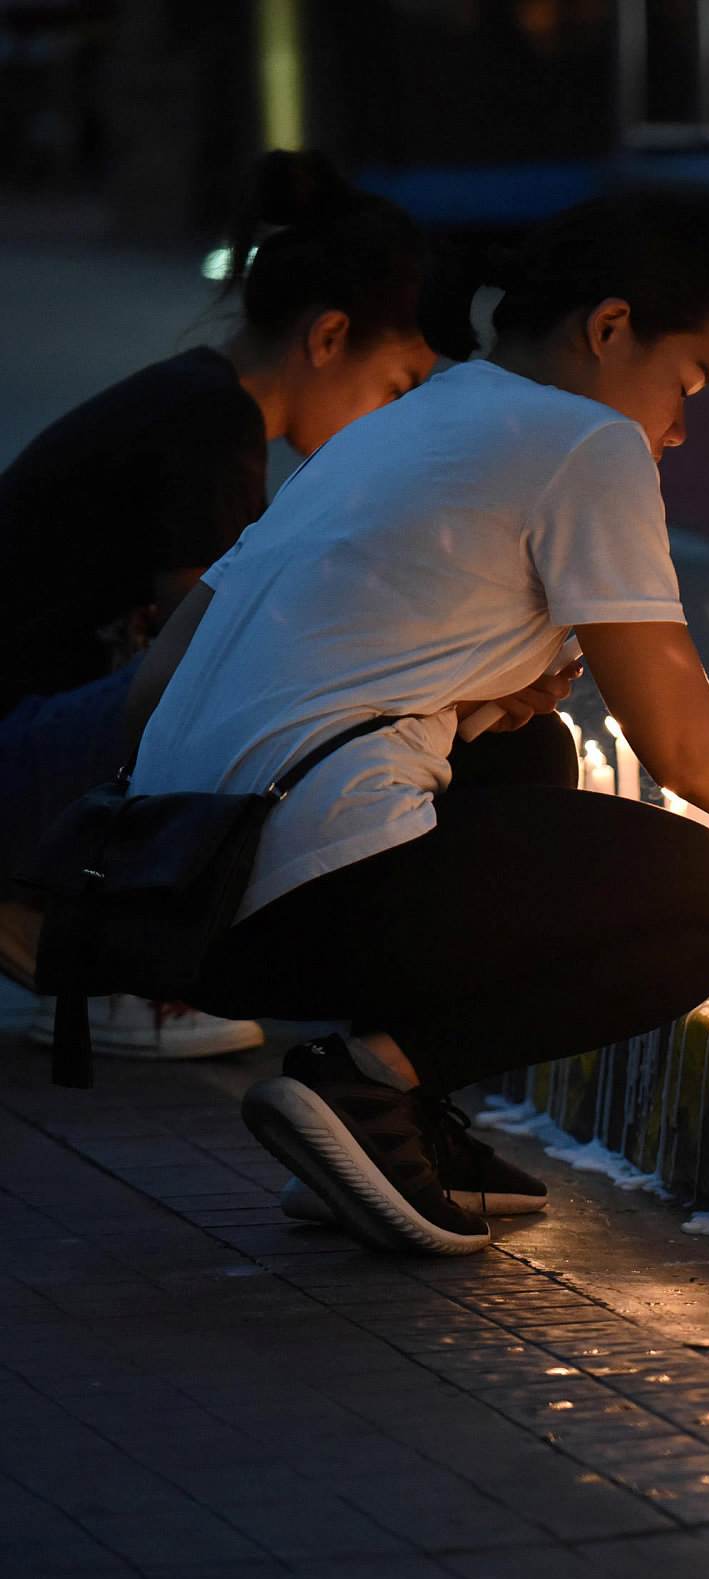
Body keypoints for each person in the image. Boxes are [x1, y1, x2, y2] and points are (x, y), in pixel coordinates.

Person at [124, 196, 709, 1257]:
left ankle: (372, 1122)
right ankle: (365, 1084)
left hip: (172, 891)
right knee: (693, 895)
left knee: (527, 747)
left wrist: (459, 703)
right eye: (685, 383)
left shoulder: (406, 417)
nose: (677, 426)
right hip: (301, 898)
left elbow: (158, 671)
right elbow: (691, 747)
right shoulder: (583, 439)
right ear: (611, 327)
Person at [0, 149, 449, 1059]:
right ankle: (104, 957)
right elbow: (207, 652)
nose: (392, 422)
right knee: (241, 691)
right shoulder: (217, 428)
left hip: (25, 725)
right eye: (397, 389)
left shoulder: (198, 399)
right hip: (15, 741)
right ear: (327, 339)